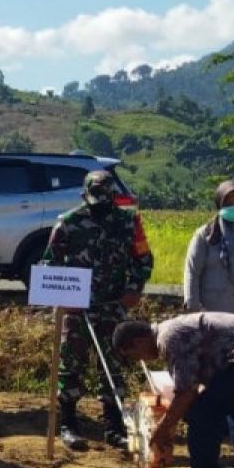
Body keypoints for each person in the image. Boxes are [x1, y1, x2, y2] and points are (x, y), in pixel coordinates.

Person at [46, 170, 153, 451]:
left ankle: (113, 427)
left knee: (114, 364)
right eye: (96, 199)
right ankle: (69, 424)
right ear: (85, 195)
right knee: (71, 363)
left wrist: (134, 288)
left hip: (113, 306)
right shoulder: (68, 223)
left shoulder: (129, 222)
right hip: (76, 308)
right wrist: (61, 297)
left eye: (106, 199)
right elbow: (49, 265)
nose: (101, 204)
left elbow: (143, 259)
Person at [114, 313, 234, 468]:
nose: (140, 360)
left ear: (139, 341)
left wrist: (162, 429)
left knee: (201, 413)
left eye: (134, 355)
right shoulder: (171, 331)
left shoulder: (170, 338)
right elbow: (194, 385)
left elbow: (186, 393)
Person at [184, 179, 234, 320]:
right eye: (228, 204)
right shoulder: (205, 235)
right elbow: (192, 272)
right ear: (219, 203)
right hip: (212, 315)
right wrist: (193, 306)